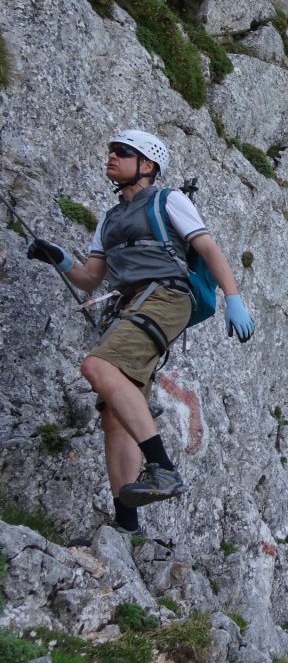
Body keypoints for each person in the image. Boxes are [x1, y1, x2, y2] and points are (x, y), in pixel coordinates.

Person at [26, 129, 255, 535]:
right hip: (128, 305)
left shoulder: (168, 200)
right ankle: (126, 525)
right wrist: (60, 259)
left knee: (97, 366)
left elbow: (208, 249)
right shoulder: (110, 220)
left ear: (146, 165)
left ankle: (163, 468)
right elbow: (90, 278)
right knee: (115, 415)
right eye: (111, 151)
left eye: (122, 152)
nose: (111, 157)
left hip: (166, 297)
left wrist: (233, 297)